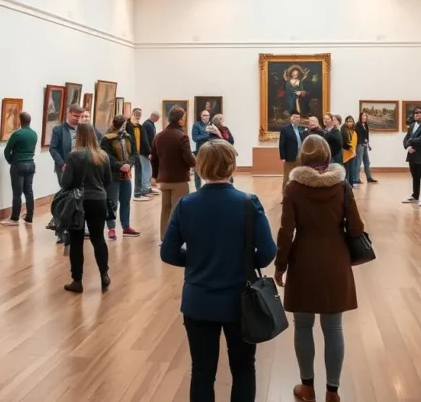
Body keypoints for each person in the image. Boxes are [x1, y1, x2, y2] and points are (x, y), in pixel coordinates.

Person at [160, 139, 276, 402]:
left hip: (198, 300)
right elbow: (268, 252)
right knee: (244, 368)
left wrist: (197, 258)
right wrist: (241, 258)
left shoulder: (186, 205)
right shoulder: (248, 202)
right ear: (232, 166)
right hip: (240, 300)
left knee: (201, 371)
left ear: (200, 167)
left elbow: (168, 253)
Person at [276, 135, 365, 402]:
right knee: (333, 327)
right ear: (327, 155)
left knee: (302, 325)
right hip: (335, 258)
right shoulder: (342, 185)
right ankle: (333, 392)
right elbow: (356, 228)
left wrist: (280, 265)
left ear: (303, 156)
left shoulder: (293, 187)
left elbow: (285, 231)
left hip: (303, 259)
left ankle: (307, 387)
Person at [61, 122, 113, 293]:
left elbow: (66, 183)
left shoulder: (74, 155)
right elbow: (108, 180)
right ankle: (104, 274)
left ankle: (77, 280)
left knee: (76, 241)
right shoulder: (102, 155)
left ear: (79, 135)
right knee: (98, 238)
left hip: (78, 202)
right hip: (98, 200)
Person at [151, 105, 195, 239]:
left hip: (163, 179)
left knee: (165, 209)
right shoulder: (182, 137)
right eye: (184, 118)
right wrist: (196, 162)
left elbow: (154, 159)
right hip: (179, 179)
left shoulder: (158, 136)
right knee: (178, 210)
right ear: (180, 120)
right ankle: (175, 238)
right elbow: (189, 159)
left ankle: (164, 237)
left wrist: (154, 176)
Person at [100, 115, 140, 240]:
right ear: (119, 124)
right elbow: (106, 156)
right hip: (112, 174)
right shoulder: (106, 139)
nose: (125, 126)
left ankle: (126, 226)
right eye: (124, 124)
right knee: (112, 202)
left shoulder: (128, 137)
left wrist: (129, 164)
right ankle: (111, 228)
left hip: (126, 174)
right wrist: (120, 165)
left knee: (126, 201)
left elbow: (134, 153)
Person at [49, 104, 86, 241]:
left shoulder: (84, 130)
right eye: (75, 116)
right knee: (65, 197)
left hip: (81, 168)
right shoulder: (58, 130)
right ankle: (60, 229)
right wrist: (62, 164)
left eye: (80, 116)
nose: (77, 119)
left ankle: (76, 227)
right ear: (68, 114)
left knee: (79, 197)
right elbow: (53, 149)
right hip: (64, 168)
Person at [1, 111, 37, 226]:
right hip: (31, 164)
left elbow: (7, 150)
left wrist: (11, 161)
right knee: (29, 191)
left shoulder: (17, 134)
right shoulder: (34, 134)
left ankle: (15, 218)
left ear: (20, 121)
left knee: (17, 193)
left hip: (18, 165)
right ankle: (29, 217)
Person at [402, 106, 421, 207]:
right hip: (412, 154)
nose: (417, 114)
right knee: (414, 176)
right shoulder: (412, 125)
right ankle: (415, 196)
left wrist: (410, 141)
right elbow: (406, 138)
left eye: (419, 112)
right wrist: (408, 146)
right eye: (415, 113)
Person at [127, 108, 152, 202]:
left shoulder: (141, 127)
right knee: (126, 172)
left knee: (139, 172)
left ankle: (137, 193)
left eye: (139, 114)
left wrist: (148, 152)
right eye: (136, 113)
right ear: (132, 113)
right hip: (128, 153)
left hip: (137, 153)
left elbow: (145, 141)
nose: (138, 115)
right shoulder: (127, 125)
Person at [191, 109, 220, 189]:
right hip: (200, 150)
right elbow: (195, 138)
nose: (206, 117)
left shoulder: (213, 125)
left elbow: (217, 136)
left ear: (209, 116)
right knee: (198, 169)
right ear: (201, 116)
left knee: (212, 168)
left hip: (212, 150)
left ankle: (211, 187)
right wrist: (208, 135)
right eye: (204, 115)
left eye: (207, 115)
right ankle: (198, 189)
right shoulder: (196, 125)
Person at [278, 112, 304, 194]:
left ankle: (298, 194)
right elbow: (282, 144)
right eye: (295, 117)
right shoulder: (285, 129)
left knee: (299, 176)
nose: (297, 119)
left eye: (298, 117)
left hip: (300, 156)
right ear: (291, 118)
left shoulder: (301, 129)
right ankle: (285, 195)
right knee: (287, 177)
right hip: (290, 157)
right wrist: (283, 157)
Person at [354, 112, 378, 184]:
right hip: (359, 145)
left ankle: (369, 177)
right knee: (358, 162)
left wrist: (368, 144)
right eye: (363, 116)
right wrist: (362, 142)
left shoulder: (366, 125)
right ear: (360, 117)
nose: (364, 117)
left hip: (365, 145)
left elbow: (366, 136)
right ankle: (356, 178)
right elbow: (357, 136)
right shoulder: (357, 125)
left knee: (367, 162)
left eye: (365, 116)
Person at [141, 111, 160, 197]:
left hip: (148, 151)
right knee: (146, 170)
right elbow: (145, 140)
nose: (158, 120)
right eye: (157, 118)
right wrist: (149, 152)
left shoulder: (150, 124)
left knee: (148, 170)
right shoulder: (147, 125)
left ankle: (146, 187)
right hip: (145, 152)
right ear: (153, 116)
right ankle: (144, 189)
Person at [341, 116, 358, 186]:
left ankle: (351, 183)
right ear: (345, 122)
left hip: (352, 153)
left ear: (353, 122)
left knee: (352, 170)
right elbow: (344, 142)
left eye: (351, 121)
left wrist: (353, 151)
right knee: (346, 170)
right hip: (346, 152)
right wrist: (350, 148)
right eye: (348, 121)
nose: (349, 123)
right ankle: (345, 184)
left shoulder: (354, 131)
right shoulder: (343, 130)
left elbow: (354, 142)